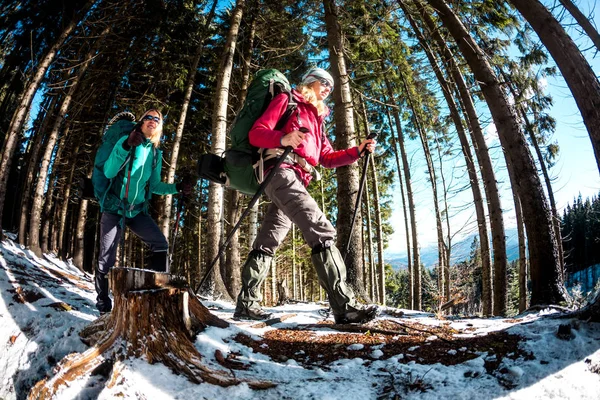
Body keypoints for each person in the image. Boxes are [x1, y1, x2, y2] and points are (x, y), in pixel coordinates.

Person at [234, 67, 378, 324]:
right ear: (310, 81)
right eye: (325, 83)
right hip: (280, 170)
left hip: (297, 177)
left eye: (331, 88)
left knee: (269, 239)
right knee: (321, 230)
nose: (327, 89)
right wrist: (283, 137)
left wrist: (357, 151)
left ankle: (246, 304)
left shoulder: (316, 119)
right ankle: (344, 306)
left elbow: (326, 158)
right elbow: (256, 134)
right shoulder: (287, 101)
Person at [95, 109, 193, 314]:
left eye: (157, 119)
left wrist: (177, 188)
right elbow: (109, 171)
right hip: (115, 208)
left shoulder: (155, 153)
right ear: (141, 122)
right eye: (148, 117)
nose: (152, 120)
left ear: (159, 127)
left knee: (160, 244)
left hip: (136, 211)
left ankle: (156, 296)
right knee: (107, 257)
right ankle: (103, 304)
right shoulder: (127, 140)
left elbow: (155, 185)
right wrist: (125, 145)